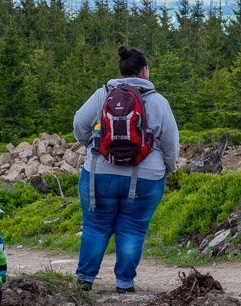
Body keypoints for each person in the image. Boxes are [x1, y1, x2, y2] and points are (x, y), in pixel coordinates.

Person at [73, 45, 179, 292]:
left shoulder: (103, 95)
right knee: (133, 228)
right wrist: (168, 167)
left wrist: (91, 145)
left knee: (96, 225)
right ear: (145, 71)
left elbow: (79, 123)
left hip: (100, 171)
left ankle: (84, 280)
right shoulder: (158, 101)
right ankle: (124, 283)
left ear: (121, 70)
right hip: (146, 176)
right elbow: (171, 143)